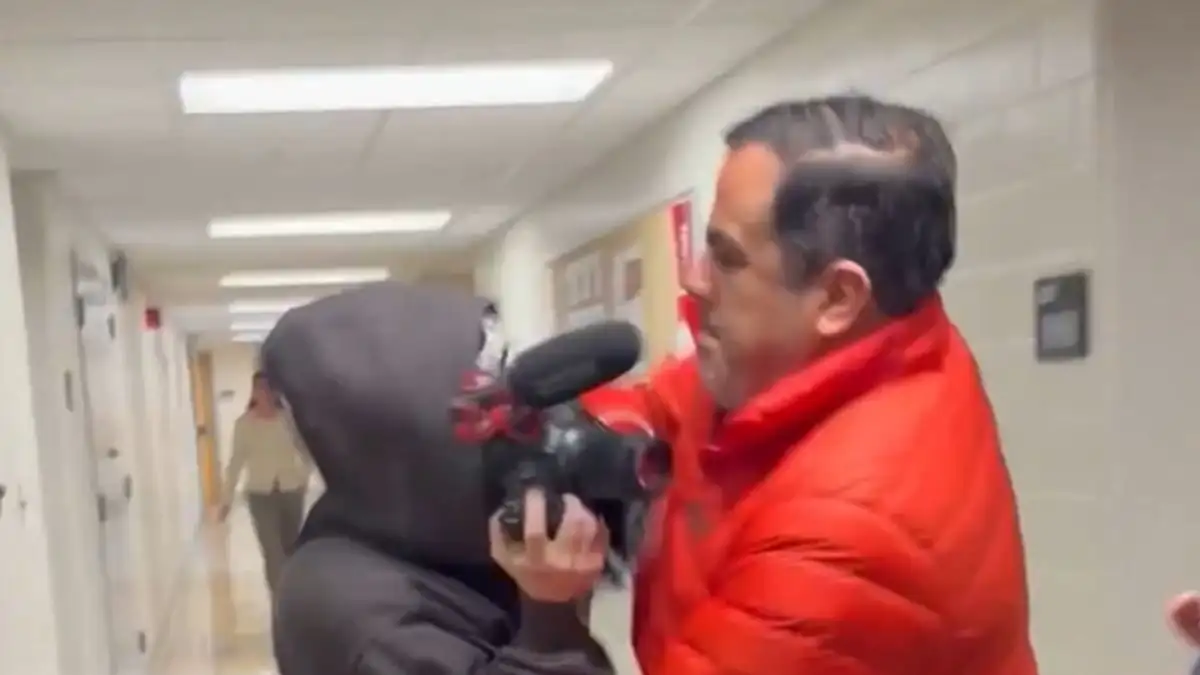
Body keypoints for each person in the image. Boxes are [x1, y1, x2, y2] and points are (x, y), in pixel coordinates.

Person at [492, 94, 1039, 674]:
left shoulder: (843, 543)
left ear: (836, 297)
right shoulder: (846, 350)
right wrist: (596, 443)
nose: (693, 279)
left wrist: (552, 615)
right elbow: (662, 404)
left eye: (727, 259)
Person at [260, 283, 614, 675]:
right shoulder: (350, 608)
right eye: (483, 393)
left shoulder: (421, 530)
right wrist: (550, 613)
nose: (508, 420)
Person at [218, 371, 314, 597]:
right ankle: (278, 600)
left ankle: (292, 596)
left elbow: (306, 451)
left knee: (291, 548)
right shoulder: (244, 424)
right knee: (272, 551)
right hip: (260, 494)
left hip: (291, 491)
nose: (265, 393)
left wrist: (303, 477)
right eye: (260, 388)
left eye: (269, 388)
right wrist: (226, 500)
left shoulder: (288, 420)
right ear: (253, 392)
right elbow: (235, 462)